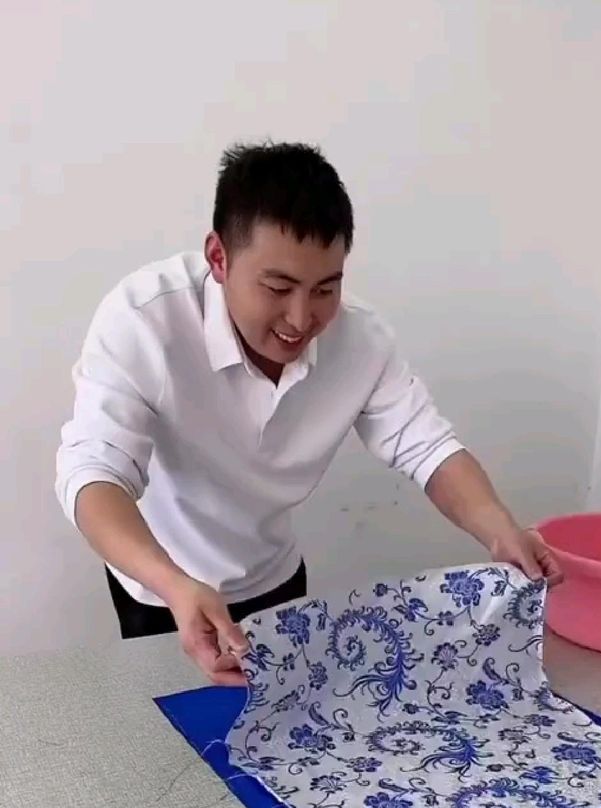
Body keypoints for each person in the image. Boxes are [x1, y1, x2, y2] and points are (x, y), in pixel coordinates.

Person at [56, 141, 561, 687]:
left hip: (275, 575)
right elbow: (94, 475)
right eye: (278, 287)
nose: (301, 318)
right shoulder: (143, 320)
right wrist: (175, 585)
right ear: (218, 257)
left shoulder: (362, 340)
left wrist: (499, 529)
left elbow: (428, 447)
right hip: (160, 586)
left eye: (326, 288)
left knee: (276, 732)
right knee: (172, 744)